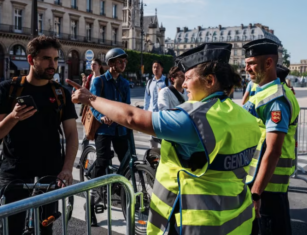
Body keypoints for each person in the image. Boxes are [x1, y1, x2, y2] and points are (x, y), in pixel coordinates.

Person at [69, 43, 261, 235]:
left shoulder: (195, 119)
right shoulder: (247, 118)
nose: (184, 85)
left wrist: (90, 98)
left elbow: (131, 117)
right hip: (238, 222)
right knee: (103, 161)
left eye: (188, 78)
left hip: (197, 224)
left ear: (210, 80)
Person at [0, 35, 78, 234]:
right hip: (15, 173)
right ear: (30, 60)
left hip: (49, 172)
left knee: (45, 229)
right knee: (12, 228)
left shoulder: (61, 93)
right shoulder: (8, 89)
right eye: (46, 59)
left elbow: (71, 135)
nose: (53, 64)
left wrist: (67, 168)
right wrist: (13, 116)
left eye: (54, 59)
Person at [242, 38, 300, 235]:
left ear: (269, 63)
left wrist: (256, 193)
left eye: (251, 64)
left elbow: (274, 151)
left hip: (268, 187)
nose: (246, 69)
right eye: (246, 64)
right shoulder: (262, 91)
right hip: (261, 181)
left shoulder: (275, 100)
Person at [88, 48, 130, 226]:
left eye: (125, 62)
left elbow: (127, 106)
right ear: (111, 63)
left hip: (120, 129)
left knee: (127, 161)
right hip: (104, 129)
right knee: (103, 159)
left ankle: (117, 188)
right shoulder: (99, 81)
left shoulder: (125, 83)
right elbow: (92, 103)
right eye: (120, 61)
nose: (123, 64)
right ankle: (92, 196)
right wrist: (101, 117)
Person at [144, 61, 168, 147]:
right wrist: (145, 112)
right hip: (151, 115)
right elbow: (147, 99)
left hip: (163, 116)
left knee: (164, 140)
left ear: (162, 68)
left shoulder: (167, 81)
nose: (155, 69)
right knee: (152, 140)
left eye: (157, 67)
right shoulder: (150, 82)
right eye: (153, 67)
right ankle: (154, 157)